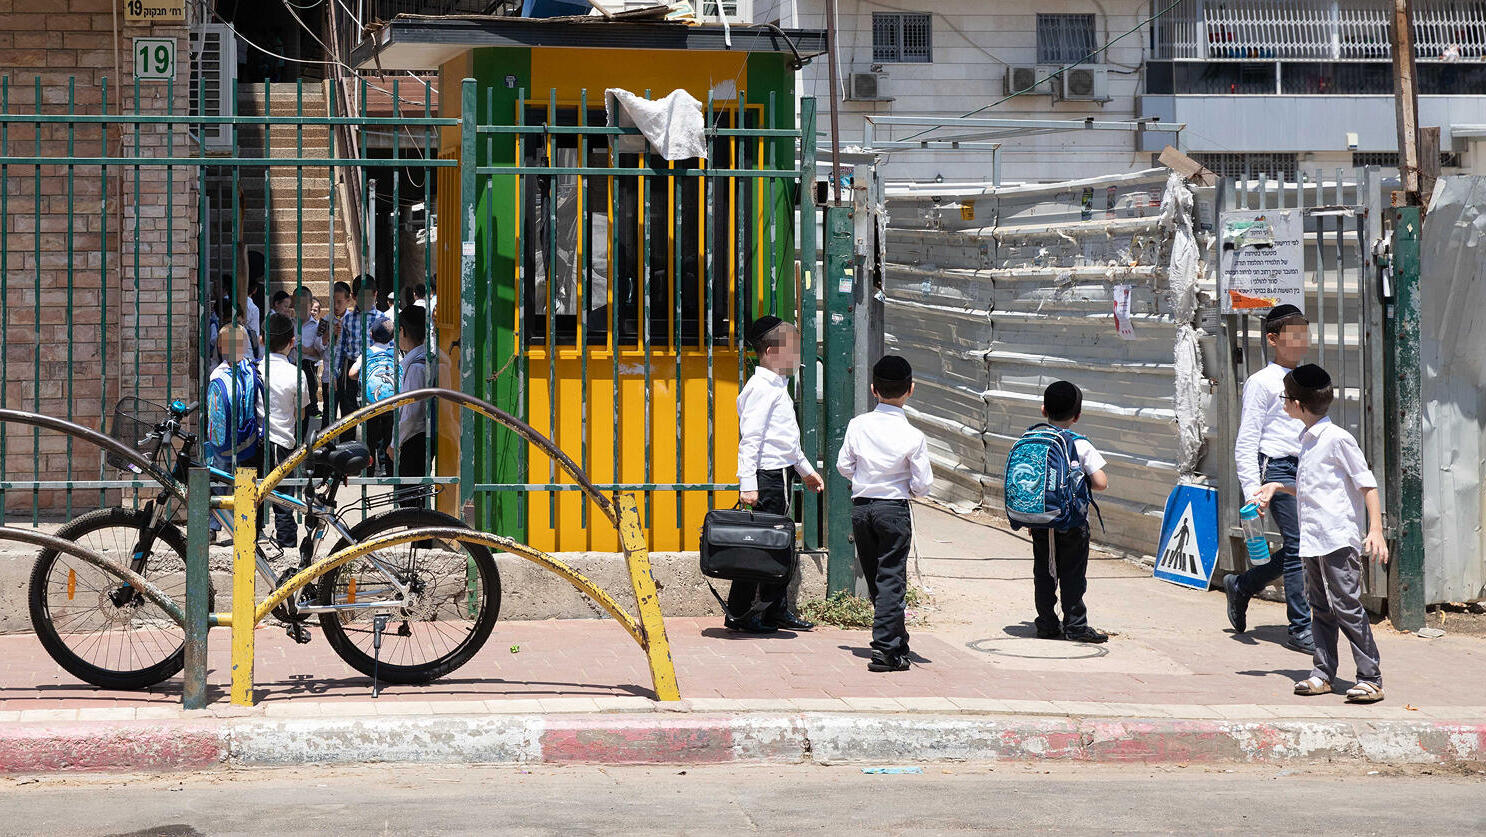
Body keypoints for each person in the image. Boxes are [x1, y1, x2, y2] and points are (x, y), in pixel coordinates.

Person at [1255, 364, 1388, 704]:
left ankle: (1370, 677)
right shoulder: (1307, 440)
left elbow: (1367, 485)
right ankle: (1323, 673)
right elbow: (1312, 489)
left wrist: (1376, 530)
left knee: (1347, 605)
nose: (1283, 404)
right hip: (1313, 540)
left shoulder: (1337, 439)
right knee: (1320, 607)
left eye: (1286, 399)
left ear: (1298, 404)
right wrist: (1276, 486)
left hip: (1336, 540)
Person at [1224, 304, 1314, 654]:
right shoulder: (1261, 382)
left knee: (1303, 546)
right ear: (1273, 339)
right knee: (1298, 545)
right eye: (1293, 333)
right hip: (1275, 469)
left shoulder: (1309, 377)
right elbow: (1247, 440)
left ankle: (1243, 585)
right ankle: (1301, 628)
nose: (1301, 340)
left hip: (1306, 469)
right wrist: (1252, 492)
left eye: (1304, 332)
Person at [836, 355, 934, 672]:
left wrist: (863, 481)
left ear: (874, 389)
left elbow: (843, 466)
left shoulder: (858, 425)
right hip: (893, 509)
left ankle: (896, 642)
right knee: (892, 578)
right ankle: (885, 649)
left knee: (879, 580)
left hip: (862, 509)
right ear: (911, 390)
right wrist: (905, 488)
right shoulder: (913, 436)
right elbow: (923, 484)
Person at [730, 315, 825, 634]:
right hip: (766, 479)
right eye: (792, 348)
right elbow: (751, 440)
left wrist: (806, 471)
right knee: (759, 547)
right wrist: (749, 484)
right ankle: (740, 613)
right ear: (771, 352)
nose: (797, 355)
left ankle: (773, 610)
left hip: (781, 476)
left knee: (778, 546)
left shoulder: (776, 387)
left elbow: (786, 440)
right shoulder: (760, 388)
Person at [1027, 381, 1110, 644]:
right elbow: (1101, 483)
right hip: (1072, 522)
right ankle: (1075, 625)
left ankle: (1047, 623)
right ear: (1077, 416)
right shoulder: (1080, 444)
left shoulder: (1031, 439)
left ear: (1043, 410)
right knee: (1073, 574)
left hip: (1041, 519)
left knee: (1044, 572)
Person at [257, 313, 311, 549]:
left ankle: (251, 540)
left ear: (261, 340)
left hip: (255, 442)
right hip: (283, 442)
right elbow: (301, 413)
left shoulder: (254, 370)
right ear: (292, 342)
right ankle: (287, 545)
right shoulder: (295, 374)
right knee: (283, 499)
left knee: (253, 495)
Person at [204, 325, 262, 546]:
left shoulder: (225, 372)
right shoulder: (246, 370)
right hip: (240, 436)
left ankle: (225, 526)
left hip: (228, 438)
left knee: (226, 481)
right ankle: (224, 525)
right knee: (227, 482)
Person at [394, 304, 433, 509]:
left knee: (410, 500)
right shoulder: (423, 360)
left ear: (402, 330)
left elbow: (411, 413)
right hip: (420, 437)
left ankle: (420, 540)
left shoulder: (416, 366)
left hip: (413, 439)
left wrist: (395, 442)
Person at [335, 275, 390, 421]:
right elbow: (340, 348)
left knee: (373, 409)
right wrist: (335, 373)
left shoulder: (382, 318)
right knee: (348, 412)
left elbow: (390, 346)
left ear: (375, 294)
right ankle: (348, 442)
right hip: (351, 366)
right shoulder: (347, 319)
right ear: (353, 296)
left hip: (374, 366)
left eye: (369, 297)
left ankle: (371, 442)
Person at [349, 319, 398, 476]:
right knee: (389, 437)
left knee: (370, 438)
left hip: (371, 404)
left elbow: (352, 373)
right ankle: (389, 470)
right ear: (392, 337)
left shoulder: (367, 354)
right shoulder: (394, 353)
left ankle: (368, 471)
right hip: (391, 404)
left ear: (371, 334)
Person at [293, 287, 324, 431]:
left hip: (308, 366)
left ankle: (304, 437)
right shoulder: (289, 323)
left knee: (306, 403)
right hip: (290, 365)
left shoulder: (317, 326)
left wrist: (305, 349)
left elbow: (320, 353)